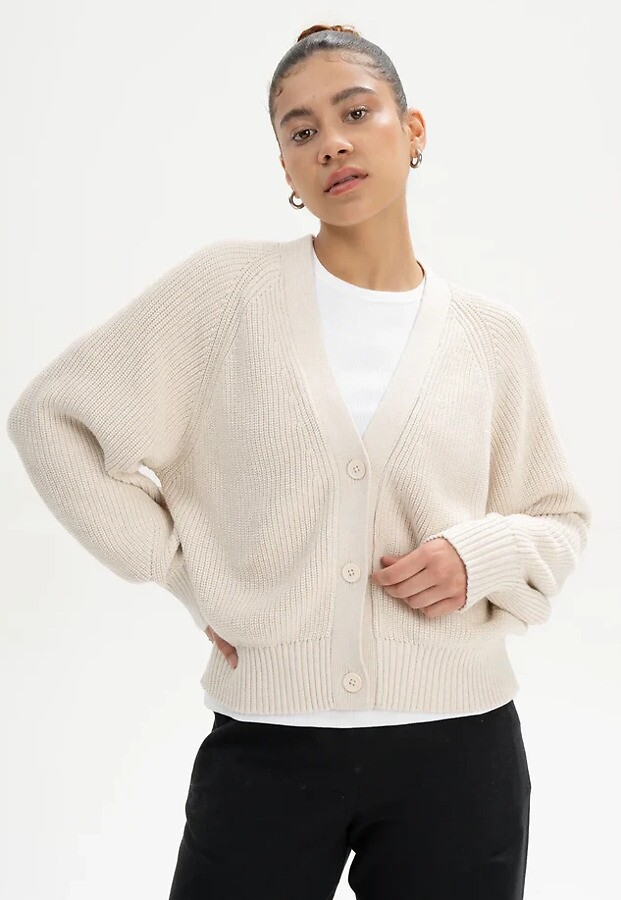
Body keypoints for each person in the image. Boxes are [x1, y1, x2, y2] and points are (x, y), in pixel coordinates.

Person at [6, 22, 591, 900]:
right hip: (267, 748)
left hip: (459, 753)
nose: (332, 144)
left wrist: (480, 557)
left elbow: (557, 517)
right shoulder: (224, 293)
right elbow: (50, 420)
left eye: (356, 113)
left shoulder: (489, 336)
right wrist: (185, 570)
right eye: (301, 129)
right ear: (284, 165)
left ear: (413, 129)